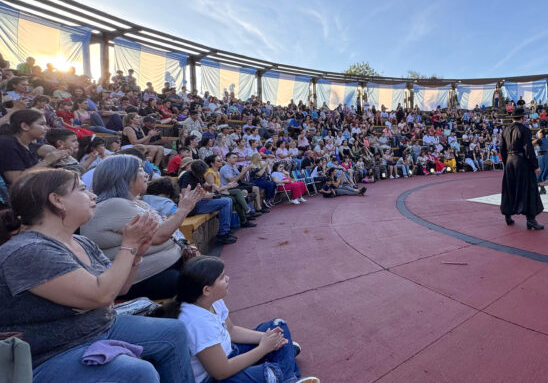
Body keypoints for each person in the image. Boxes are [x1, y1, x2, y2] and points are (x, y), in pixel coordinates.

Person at [0, 168, 194, 381]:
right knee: (138, 373)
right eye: (82, 189)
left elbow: (120, 288)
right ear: (57, 200)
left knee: (174, 331)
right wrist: (129, 245)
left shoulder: (81, 242)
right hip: (52, 353)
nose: (92, 195)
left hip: (99, 328)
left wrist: (136, 253)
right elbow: (101, 295)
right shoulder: (28, 250)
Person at [155, 256, 318, 383]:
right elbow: (221, 371)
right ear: (206, 290)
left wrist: (268, 339)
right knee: (269, 373)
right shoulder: (197, 322)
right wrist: (263, 348)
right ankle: (287, 370)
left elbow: (231, 331)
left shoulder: (212, 299)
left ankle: (283, 364)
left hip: (231, 352)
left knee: (278, 326)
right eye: (221, 277)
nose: (227, 279)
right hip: (216, 378)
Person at [81, 154, 204, 300]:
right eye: (140, 170)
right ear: (123, 177)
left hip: (165, 267)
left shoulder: (137, 202)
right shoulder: (113, 205)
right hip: (134, 280)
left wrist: (183, 245)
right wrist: (183, 209)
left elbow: (167, 229)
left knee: (205, 272)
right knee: (200, 282)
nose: (146, 174)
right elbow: (159, 235)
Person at [499, 108, 544, 230]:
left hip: (509, 161)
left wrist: (506, 163)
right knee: (529, 188)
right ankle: (531, 220)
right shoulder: (524, 129)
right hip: (521, 162)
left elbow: (502, 149)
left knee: (509, 188)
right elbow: (528, 148)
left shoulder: (506, 130)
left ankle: (508, 216)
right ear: (523, 118)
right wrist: (535, 165)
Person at [0, 109, 70, 185]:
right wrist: (47, 161)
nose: (47, 128)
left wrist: (55, 158)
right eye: (42, 124)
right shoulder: (7, 144)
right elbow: (16, 180)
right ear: (25, 126)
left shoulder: (29, 145)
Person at [534, 130, 548, 195]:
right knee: (542, 172)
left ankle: (542, 189)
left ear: (541, 134)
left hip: (541, 157)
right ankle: (541, 188)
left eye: (538, 133)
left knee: (539, 173)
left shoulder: (539, 140)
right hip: (546, 156)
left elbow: (530, 144)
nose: (537, 134)